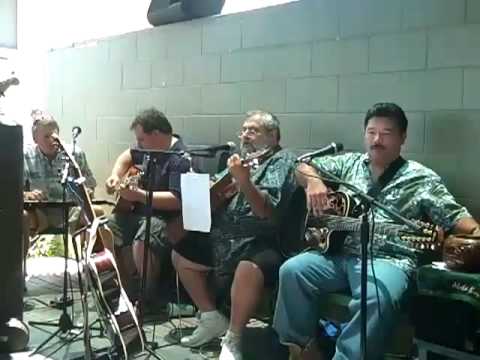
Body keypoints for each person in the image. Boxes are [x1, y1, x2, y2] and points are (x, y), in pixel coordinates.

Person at [272, 102, 480, 360]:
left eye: (386, 133)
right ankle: (302, 349)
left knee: (376, 298)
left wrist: (474, 233)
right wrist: (314, 182)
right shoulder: (349, 163)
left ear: (402, 138)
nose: (377, 140)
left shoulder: (422, 178)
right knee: (292, 270)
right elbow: (302, 167)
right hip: (337, 254)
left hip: (389, 259)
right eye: (371, 132)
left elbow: (458, 218)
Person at [172, 110, 297, 360]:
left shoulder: (282, 160)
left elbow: (266, 210)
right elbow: (216, 189)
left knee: (248, 267)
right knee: (181, 255)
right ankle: (210, 317)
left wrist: (245, 182)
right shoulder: (240, 159)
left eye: (254, 130)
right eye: (244, 130)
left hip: (261, 240)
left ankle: (234, 337)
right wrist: (209, 191)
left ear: (273, 136)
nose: (246, 135)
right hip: (224, 238)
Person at [105, 107, 190, 300]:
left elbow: (178, 200)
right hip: (139, 212)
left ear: (157, 134)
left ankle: (149, 297)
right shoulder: (148, 148)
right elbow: (127, 155)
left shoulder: (180, 159)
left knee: (143, 240)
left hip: (167, 218)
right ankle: (124, 288)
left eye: (141, 138)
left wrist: (140, 195)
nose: (138, 143)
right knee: (106, 230)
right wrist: (115, 175)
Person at [23, 110, 98, 259]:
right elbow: (13, 190)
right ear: (35, 139)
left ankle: (84, 262)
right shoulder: (25, 155)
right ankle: (22, 267)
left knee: (97, 214)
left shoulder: (75, 154)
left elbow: (90, 183)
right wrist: (27, 194)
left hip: (71, 210)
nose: (52, 140)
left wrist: (87, 191)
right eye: (46, 136)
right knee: (22, 218)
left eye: (54, 135)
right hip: (41, 212)